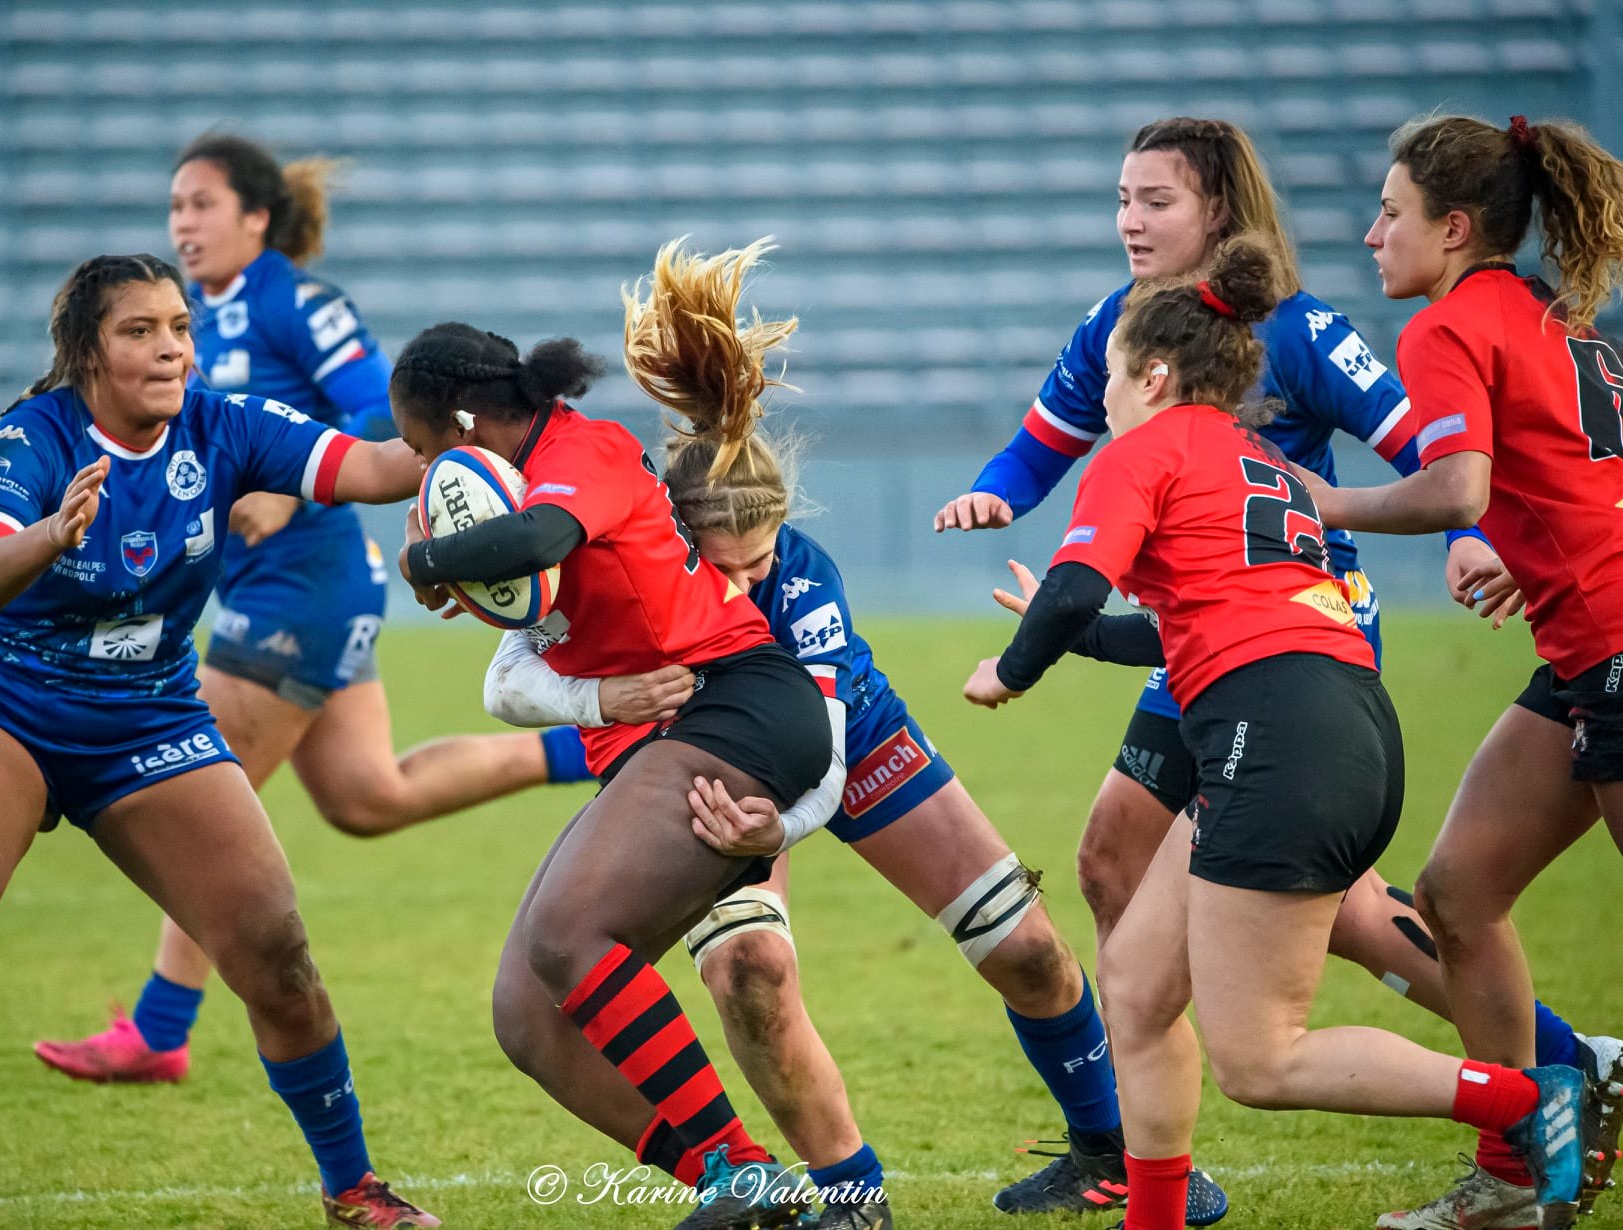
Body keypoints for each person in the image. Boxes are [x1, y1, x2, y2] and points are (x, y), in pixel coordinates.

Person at [930, 116, 1606, 1212]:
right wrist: (1001, 495)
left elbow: (1430, 450)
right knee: (1128, 895)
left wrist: (1464, 534)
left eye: (1155, 200)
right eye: (1121, 199)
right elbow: (1043, 446)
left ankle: (1544, 1074)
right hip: (1221, 648)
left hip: (1288, 650)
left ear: (1220, 213)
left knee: (1272, 990)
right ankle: (1154, 1174)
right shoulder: (1127, 332)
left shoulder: (1295, 336)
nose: (1130, 221)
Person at [479, 238, 1226, 1228]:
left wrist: (774, 832)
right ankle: (850, 1198)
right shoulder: (635, 561)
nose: (744, 588)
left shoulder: (804, 578)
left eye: (759, 563)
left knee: (1027, 949)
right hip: (712, 758)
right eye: (724, 568)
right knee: (750, 971)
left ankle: (1107, 1151)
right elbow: (510, 671)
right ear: (675, 532)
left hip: (847, 744)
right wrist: (599, 704)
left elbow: (826, 753)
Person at [0, 255, 440, 1229]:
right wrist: (52, 533)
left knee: (278, 955)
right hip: (2, 708)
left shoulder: (223, 424)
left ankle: (354, 1189)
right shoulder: (31, 436)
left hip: (147, 720)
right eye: (140, 331)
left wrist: (477, 436)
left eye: (178, 325)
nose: (171, 346)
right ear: (86, 351)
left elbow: (373, 467)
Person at [34, 135, 592, 1087]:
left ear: (256, 218)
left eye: (201, 205)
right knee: (368, 796)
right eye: (175, 207)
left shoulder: (298, 302)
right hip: (259, 586)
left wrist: (293, 490)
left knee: (192, 797)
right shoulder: (188, 321)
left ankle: (160, 1030)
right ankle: (594, 746)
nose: (183, 223)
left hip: (309, 588)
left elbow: (390, 418)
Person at [391, 320, 834, 1230]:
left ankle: (744, 1170)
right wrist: (594, 696)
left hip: (736, 704)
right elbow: (509, 674)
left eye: (421, 449)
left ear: (465, 427)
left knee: (567, 933)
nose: (420, 472)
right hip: (668, 739)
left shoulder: (579, 455)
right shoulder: (517, 492)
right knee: (528, 1016)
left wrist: (424, 560)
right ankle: (729, 1181)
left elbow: (538, 536)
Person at [1298, 112, 1623, 1228]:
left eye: (1392, 215)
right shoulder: (1550, 315)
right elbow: (1572, 478)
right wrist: (1541, 568)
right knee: (1457, 893)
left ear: (1455, 228)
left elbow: (1456, 492)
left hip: (1618, 645)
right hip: (1589, 646)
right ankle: (1520, 1170)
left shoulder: (1447, 326)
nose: (1372, 233)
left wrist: (1318, 503)